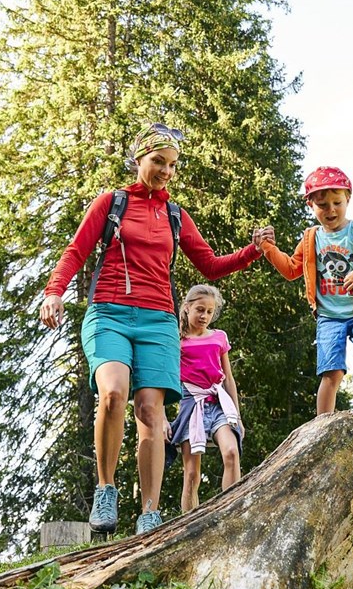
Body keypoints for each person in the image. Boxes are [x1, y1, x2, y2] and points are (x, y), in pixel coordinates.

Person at [39, 123, 263, 535]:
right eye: (159, 161)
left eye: (172, 165)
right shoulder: (112, 203)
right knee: (113, 392)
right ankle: (105, 488)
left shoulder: (175, 215)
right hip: (108, 313)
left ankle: (149, 512)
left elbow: (209, 265)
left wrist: (253, 252)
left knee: (149, 411)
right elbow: (75, 251)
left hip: (158, 321)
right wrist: (55, 292)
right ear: (139, 158)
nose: (165, 171)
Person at [257, 165, 353, 416]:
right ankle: (322, 421)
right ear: (311, 205)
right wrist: (268, 248)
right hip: (329, 316)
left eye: (337, 203)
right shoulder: (311, 238)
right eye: (323, 205)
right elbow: (292, 269)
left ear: (348, 199)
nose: (331, 210)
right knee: (331, 372)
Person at [167, 284, 244, 514]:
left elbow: (228, 378)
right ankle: (190, 522)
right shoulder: (177, 340)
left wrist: (237, 416)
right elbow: (165, 380)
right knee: (192, 473)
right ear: (187, 308)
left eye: (209, 312)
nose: (204, 316)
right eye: (200, 310)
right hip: (192, 406)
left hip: (219, 405)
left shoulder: (219, 337)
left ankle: (230, 512)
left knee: (231, 452)